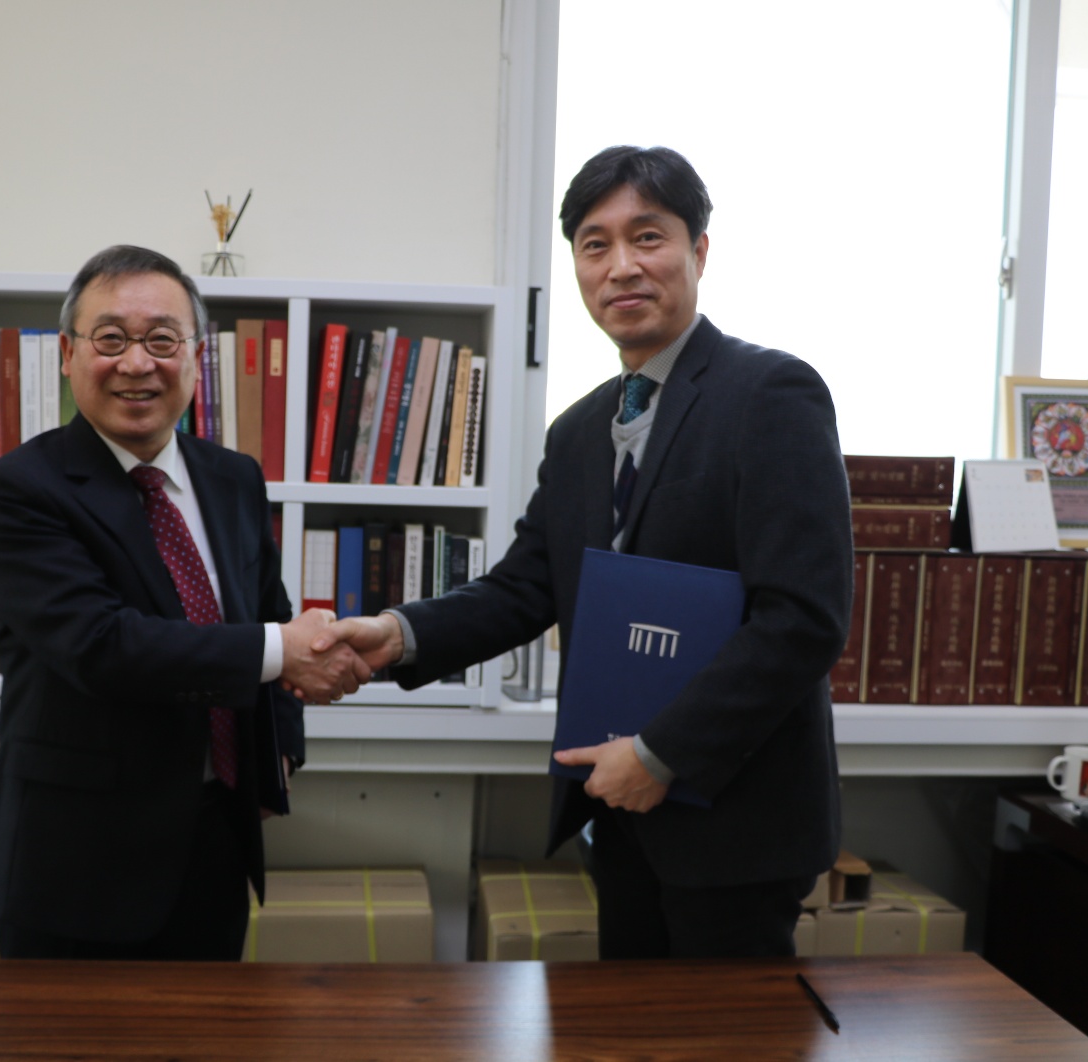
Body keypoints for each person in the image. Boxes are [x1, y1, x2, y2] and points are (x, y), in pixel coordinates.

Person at [315, 146, 854, 959]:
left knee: (727, 1029)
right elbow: (526, 586)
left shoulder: (771, 394)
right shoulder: (577, 431)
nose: (621, 266)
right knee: (621, 1022)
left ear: (700, 251)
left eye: (648, 237)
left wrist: (661, 755)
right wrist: (398, 634)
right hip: (617, 808)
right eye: (595, 245)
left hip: (734, 823)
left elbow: (803, 619)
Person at [0, 244, 368, 960]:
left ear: (195, 357)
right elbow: (102, 646)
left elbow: (267, 612)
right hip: (75, 868)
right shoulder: (18, 490)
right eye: (110, 339)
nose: (136, 363)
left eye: (161, 340)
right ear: (68, 353)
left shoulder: (233, 479)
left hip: (217, 843)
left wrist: (278, 757)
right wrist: (284, 652)